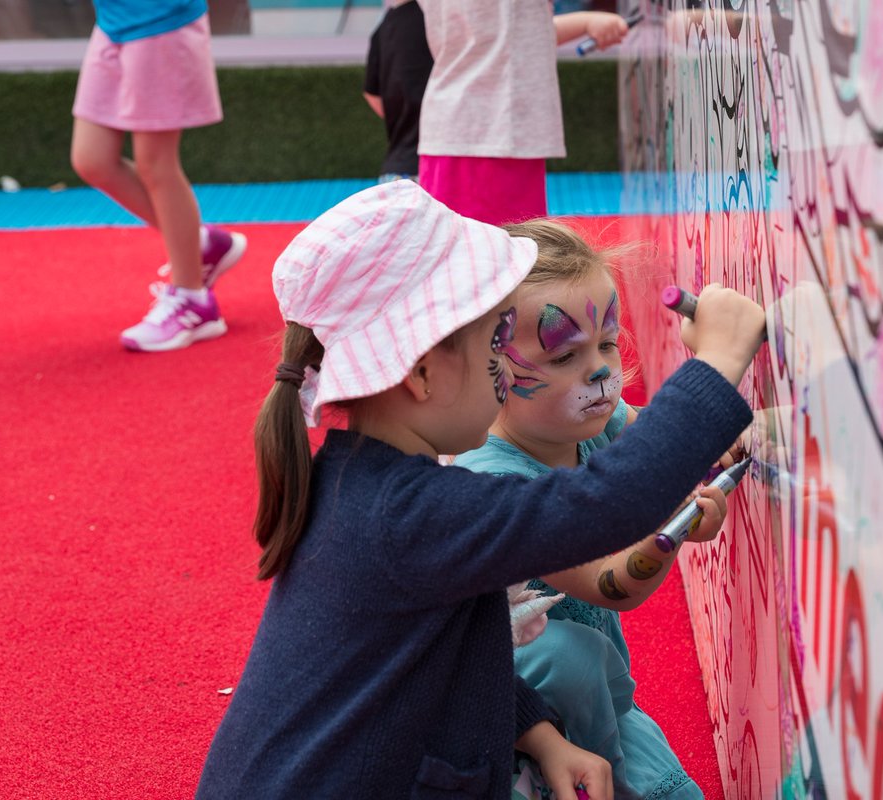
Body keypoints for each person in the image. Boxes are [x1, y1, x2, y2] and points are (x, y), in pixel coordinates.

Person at [194, 180, 765, 798]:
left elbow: (437, 659)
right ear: (420, 373)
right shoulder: (414, 515)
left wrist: (540, 734)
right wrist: (718, 362)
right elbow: (606, 505)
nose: (503, 370)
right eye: (495, 343)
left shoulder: (359, 482)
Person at [455, 220, 729, 799]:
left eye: (606, 343)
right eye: (565, 356)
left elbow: (671, 444)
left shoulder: (591, 426)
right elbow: (614, 583)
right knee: (569, 655)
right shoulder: (489, 481)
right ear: (490, 367)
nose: (601, 371)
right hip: (515, 733)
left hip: (603, 707)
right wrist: (719, 363)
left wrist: (707, 473)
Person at [70, 0, 247, 352]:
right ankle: (199, 243)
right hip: (112, 22)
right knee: (92, 160)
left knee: (156, 163)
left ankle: (194, 301)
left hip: (161, 21)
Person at [416, 1, 631, 225]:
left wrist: (585, 22)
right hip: (492, 133)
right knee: (507, 253)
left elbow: (514, 32)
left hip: (472, 131)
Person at [362, 0, 433, 184]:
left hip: (396, 172)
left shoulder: (384, 27)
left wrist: (401, 115)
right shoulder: (439, 18)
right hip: (440, 168)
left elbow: (371, 93)